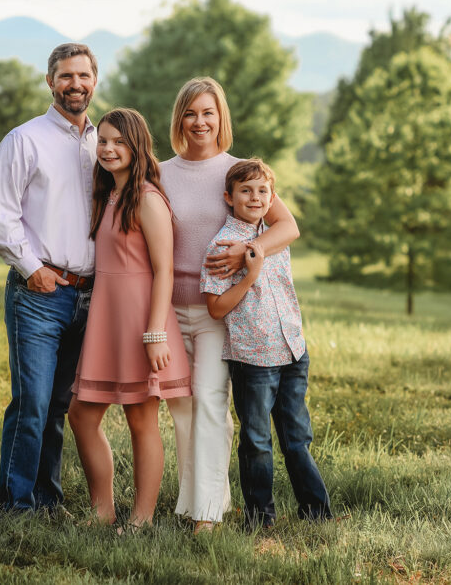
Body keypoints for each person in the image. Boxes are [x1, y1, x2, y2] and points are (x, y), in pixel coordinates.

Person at [160, 77, 301, 533]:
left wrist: (246, 252)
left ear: (221, 117)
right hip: (167, 311)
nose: (199, 122)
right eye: (190, 113)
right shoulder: (160, 172)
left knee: (211, 404)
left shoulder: (239, 171)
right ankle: (203, 498)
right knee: (181, 410)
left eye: (208, 113)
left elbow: (287, 227)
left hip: (216, 313)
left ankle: (206, 517)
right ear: (179, 118)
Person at [0, 43, 98, 512]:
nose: (75, 84)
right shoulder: (23, 140)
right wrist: (34, 271)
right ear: (50, 82)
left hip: (88, 295)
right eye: (66, 76)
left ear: (95, 81)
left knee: (57, 407)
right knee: (31, 404)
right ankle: (16, 506)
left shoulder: (101, 141)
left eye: (83, 76)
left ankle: (48, 500)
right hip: (39, 293)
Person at [68, 108, 191, 530]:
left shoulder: (148, 198)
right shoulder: (109, 195)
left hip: (142, 322)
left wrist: (155, 333)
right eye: (102, 141)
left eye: (119, 141)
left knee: (141, 419)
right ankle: (102, 511)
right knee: (82, 413)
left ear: (136, 145)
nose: (108, 149)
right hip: (107, 321)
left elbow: (165, 270)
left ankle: (141, 519)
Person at [201, 158, 332, 529]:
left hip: (292, 349)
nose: (255, 197)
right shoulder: (221, 246)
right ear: (229, 197)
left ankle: (316, 513)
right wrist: (249, 274)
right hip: (254, 358)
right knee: (257, 440)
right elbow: (215, 308)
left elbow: (289, 231)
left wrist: (255, 254)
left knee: (297, 436)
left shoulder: (273, 235)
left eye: (263, 191)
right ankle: (260, 519)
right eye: (246, 190)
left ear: (272, 196)